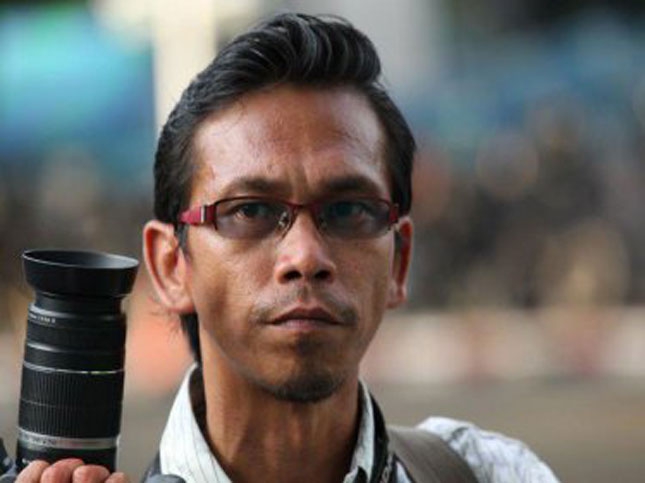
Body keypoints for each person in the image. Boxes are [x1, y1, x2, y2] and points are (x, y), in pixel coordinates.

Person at [16, 12, 559, 483]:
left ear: (399, 260)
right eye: (250, 211)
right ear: (171, 265)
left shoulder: (487, 472)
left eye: (348, 210)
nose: (305, 257)